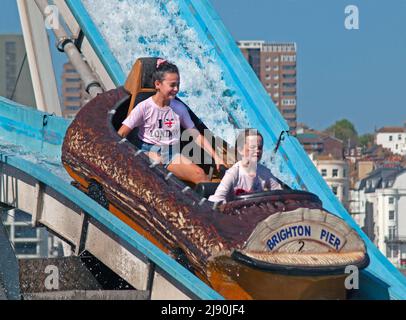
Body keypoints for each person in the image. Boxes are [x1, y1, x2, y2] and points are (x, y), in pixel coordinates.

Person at [118, 59, 224, 184]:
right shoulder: (144, 107)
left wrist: (216, 156)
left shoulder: (179, 108)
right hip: (146, 150)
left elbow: (195, 135)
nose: (176, 89)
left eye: (178, 85)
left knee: (200, 175)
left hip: (170, 153)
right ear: (158, 84)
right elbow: (121, 134)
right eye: (172, 85)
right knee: (157, 161)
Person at [208, 129, 282, 203]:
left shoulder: (264, 172)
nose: (257, 151)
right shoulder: (233, 173)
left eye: (260, 148)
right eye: (253, 147)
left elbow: (280, 193)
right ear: (240, 150)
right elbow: (216, 200)